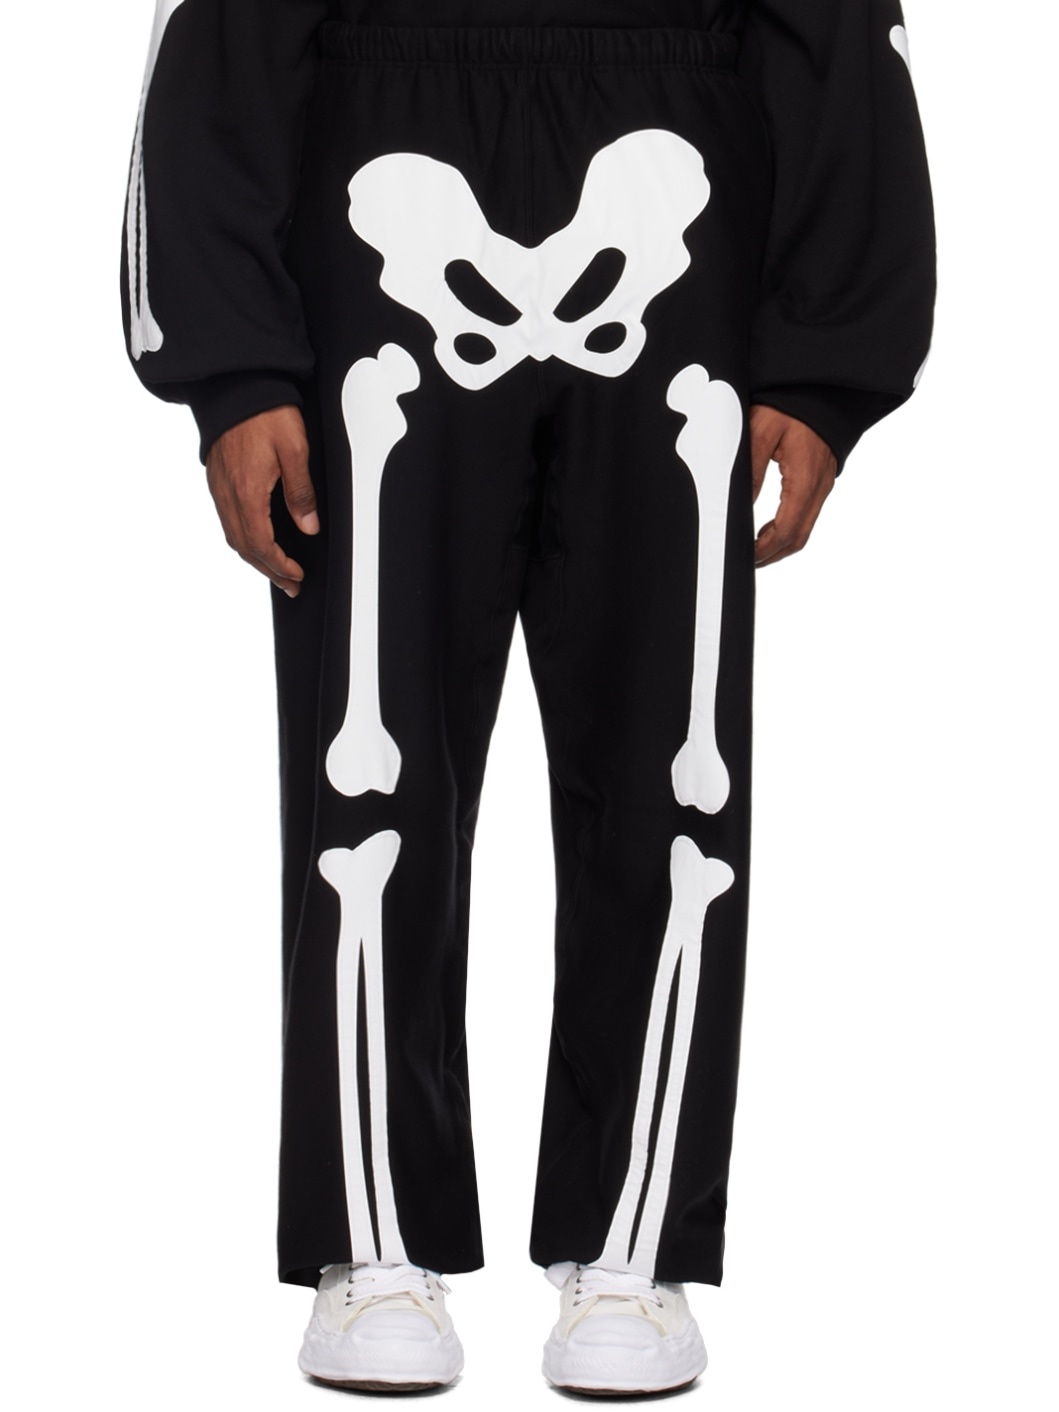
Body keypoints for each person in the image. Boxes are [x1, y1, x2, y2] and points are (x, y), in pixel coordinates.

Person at [119, 0, 935, 1396]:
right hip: (382, 150)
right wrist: (232, 362)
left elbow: (839, 19)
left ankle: (632, 1244)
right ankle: (375, 1239)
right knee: (371, 769)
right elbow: (216, 24)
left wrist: (829, 358)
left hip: (681, 153)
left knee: (672, 767)